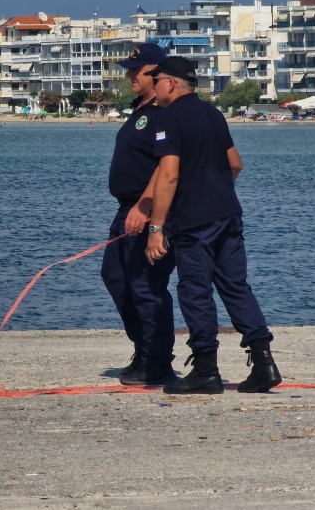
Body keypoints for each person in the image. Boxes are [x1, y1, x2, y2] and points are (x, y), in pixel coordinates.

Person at [145, 56, 281, 394]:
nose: (153, 85)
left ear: (171, 83)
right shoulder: (212, 113)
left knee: (195, 291)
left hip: (194, 220)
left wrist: (156, 228)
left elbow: (169, 174)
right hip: (227, 213)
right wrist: (215, 189)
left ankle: (205, 368)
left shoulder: (168, 118)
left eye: (156, 79)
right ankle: (263, 363)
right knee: (236, 286)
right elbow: (235, 164)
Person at [100, 43, 178, 385]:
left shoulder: (164, 111)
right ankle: (144, 348)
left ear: (157, 73)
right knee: (115, 277)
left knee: (146, 286)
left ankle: (156, 359)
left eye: (137, 70)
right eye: (130, 69)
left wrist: (146, 208)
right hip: (126, 209)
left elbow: (167, 167)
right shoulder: (141, 109)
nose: (130, 75)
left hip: (149, 210)